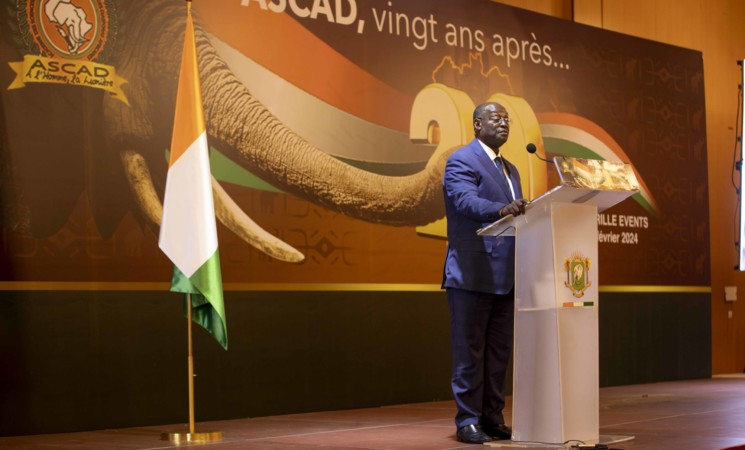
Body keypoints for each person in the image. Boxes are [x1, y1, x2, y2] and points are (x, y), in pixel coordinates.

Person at [441, 102, 528, 444]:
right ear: (477, 125)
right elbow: (465, 202)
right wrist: (501, 209)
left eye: (507, 119)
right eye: (496, 118)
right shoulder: (461, 160)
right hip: (471, 272)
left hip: (506, 276)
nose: (504, 123)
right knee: (469, 352)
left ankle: (493, 416)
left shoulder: (512, 169)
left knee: (498, 354)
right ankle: (467, 420)